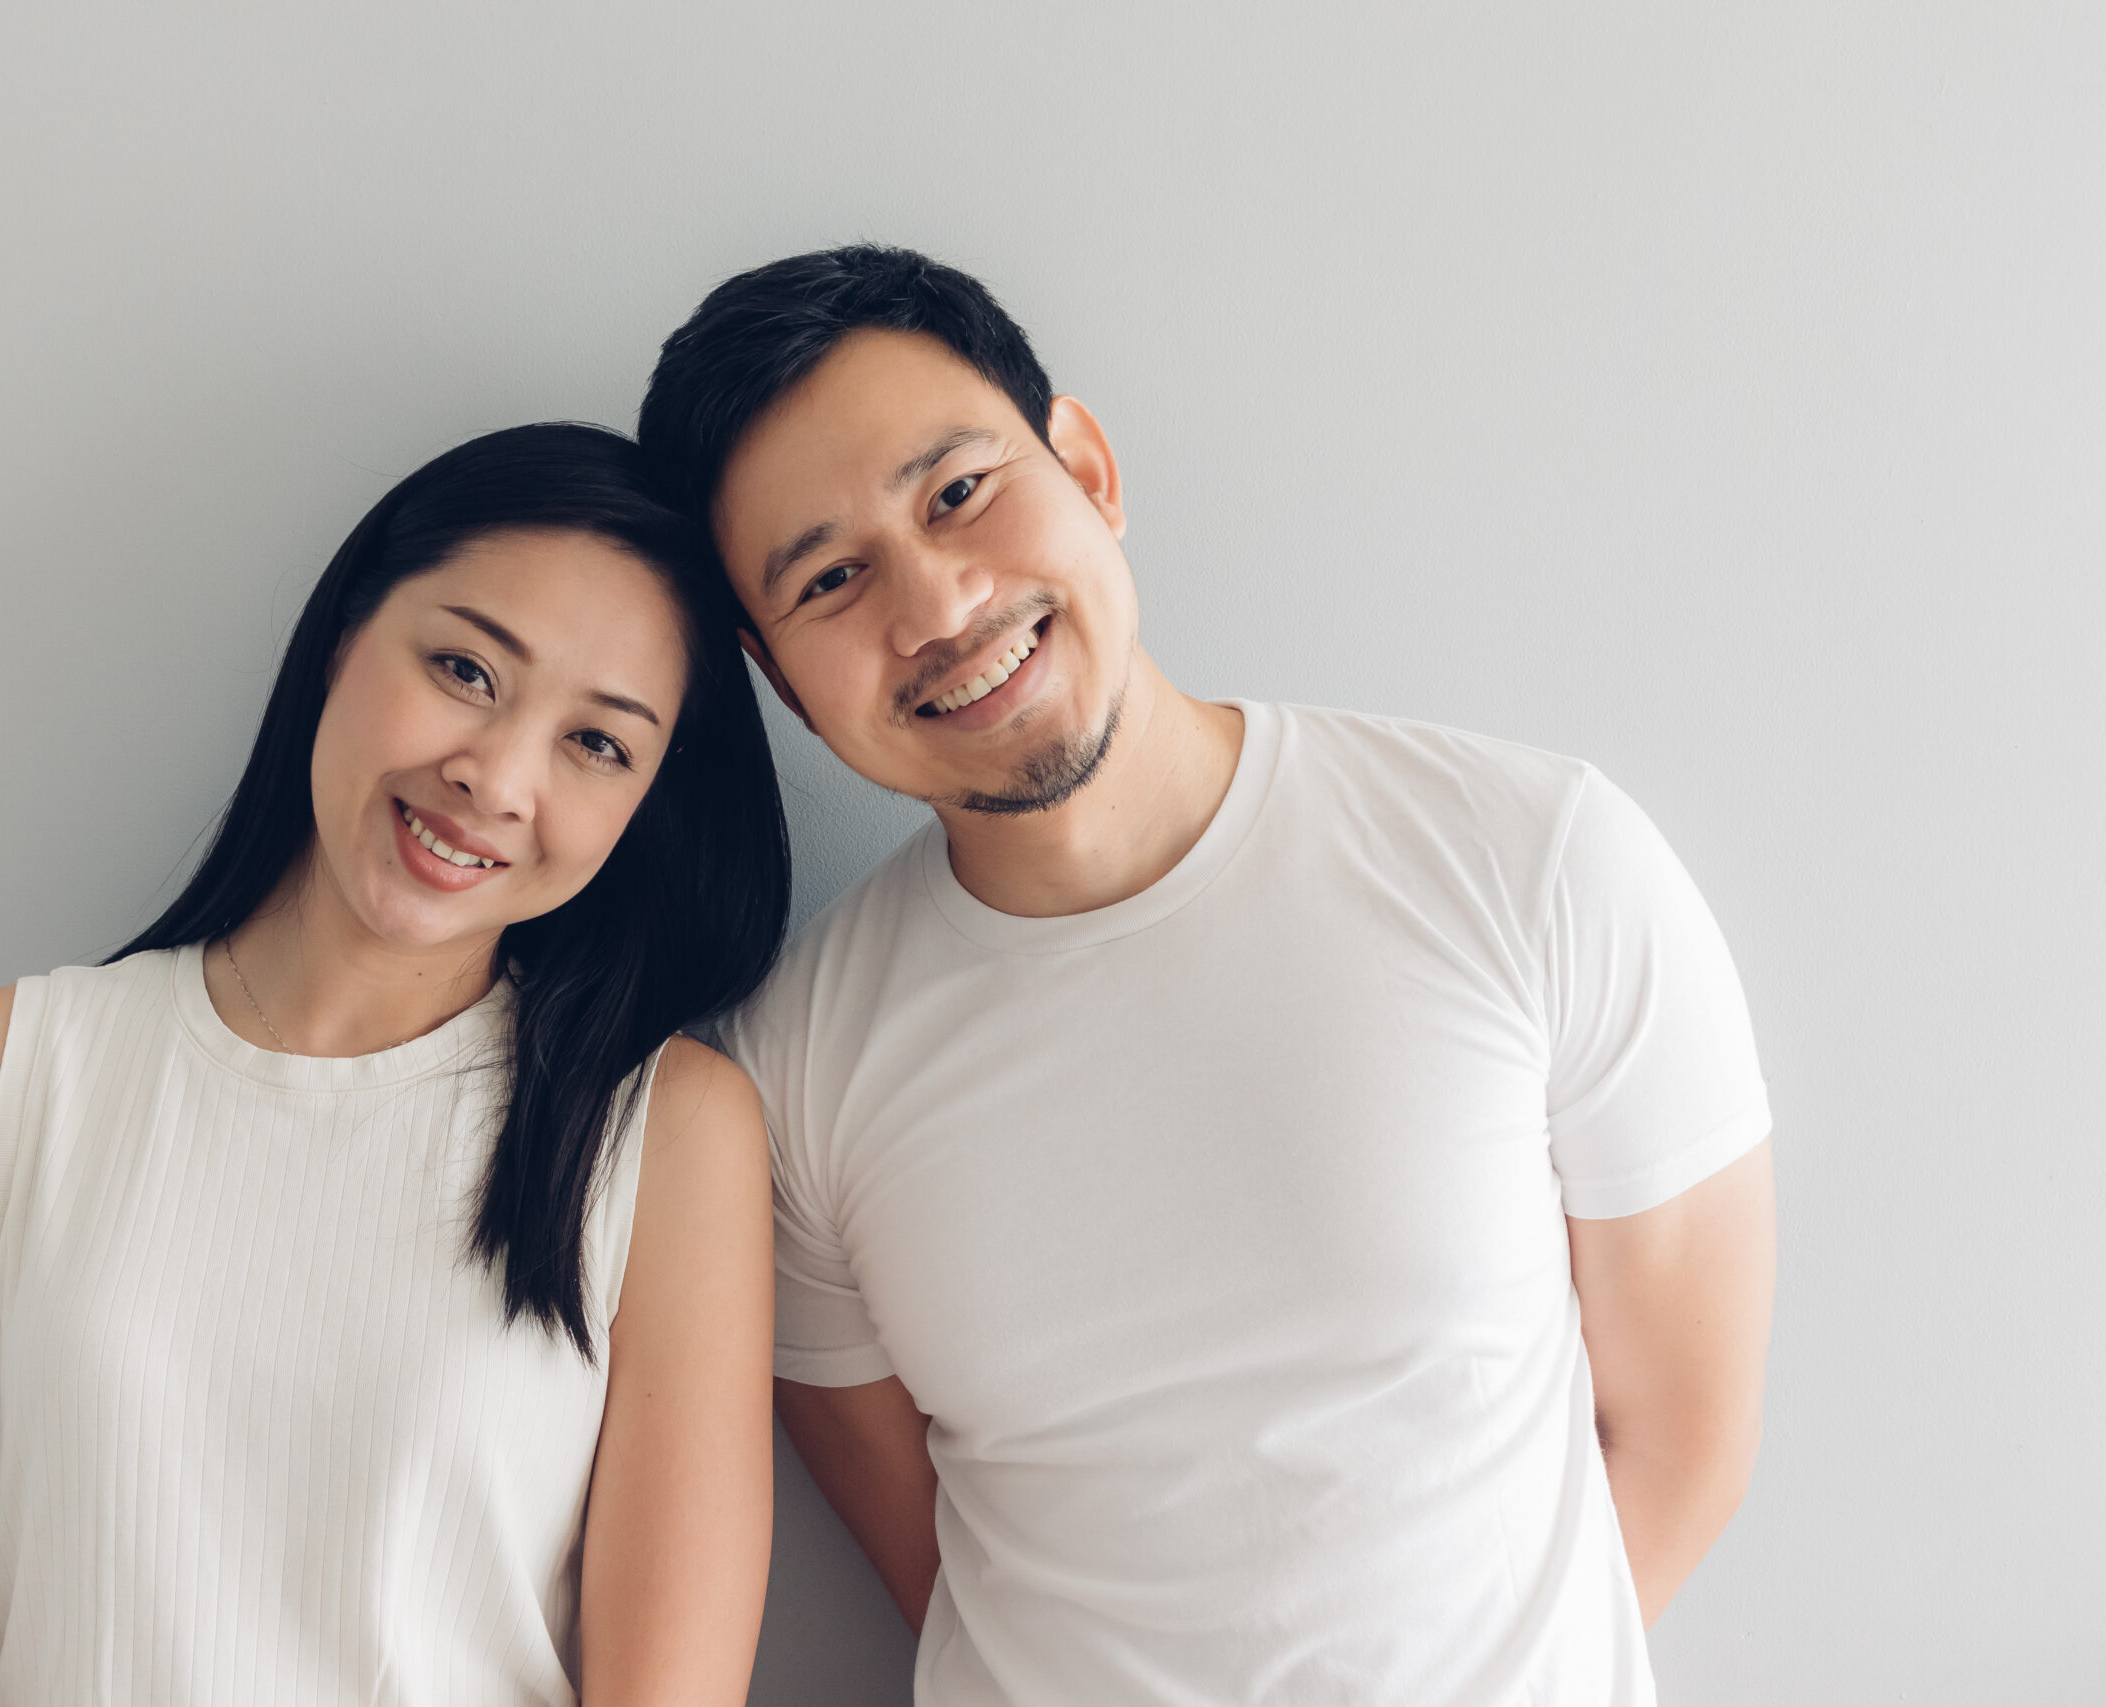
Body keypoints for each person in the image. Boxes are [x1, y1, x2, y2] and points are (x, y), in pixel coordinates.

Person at [638, 248, 1776, 1705]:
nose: (935, 605)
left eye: (959, 491)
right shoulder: (786, 1079)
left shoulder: (1532, 856)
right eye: (831, 578)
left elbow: (1684, 1446)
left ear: (1086, 467)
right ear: (778, 676)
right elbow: (939, 1573)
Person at [0, 423, 788, 1707]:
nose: (496, 779)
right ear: (343, 637)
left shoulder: (665, 1132)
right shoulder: (12, 1072)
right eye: (464, 668)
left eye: (597, 744)